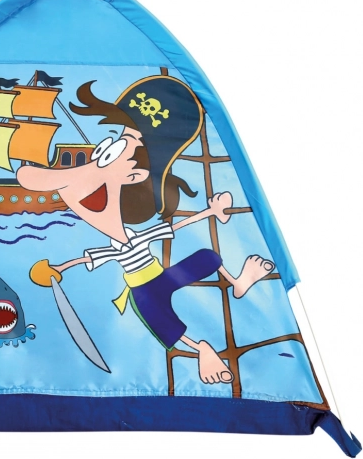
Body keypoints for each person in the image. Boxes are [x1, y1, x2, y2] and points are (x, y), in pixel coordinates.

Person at [17, 76, 274, 385]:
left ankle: (238, 283)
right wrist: (59, 268)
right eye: (105, 151)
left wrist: (210, 212)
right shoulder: (119, 241)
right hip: (143, 291)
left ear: (135, 176)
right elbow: (89, 259)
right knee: (162, 322)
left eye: (112, 154)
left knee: (207, 256)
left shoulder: (136, 233)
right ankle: (202, 349)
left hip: (160, 277)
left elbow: (175, 225)